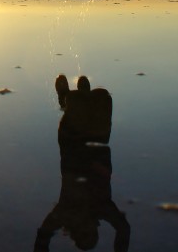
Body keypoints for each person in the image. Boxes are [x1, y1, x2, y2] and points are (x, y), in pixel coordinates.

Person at [34, 74, 130, 251]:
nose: (87, 228)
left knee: (76, 104)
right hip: (98, 141)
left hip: (73, 142)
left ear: (75, 231)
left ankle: (66, 98)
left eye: (83, 234)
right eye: (91, 233)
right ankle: (82, 94)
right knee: (103, 96)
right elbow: (123, 229)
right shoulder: (103, 208)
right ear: (95, 229)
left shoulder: (64, 212)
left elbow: (42, 237)